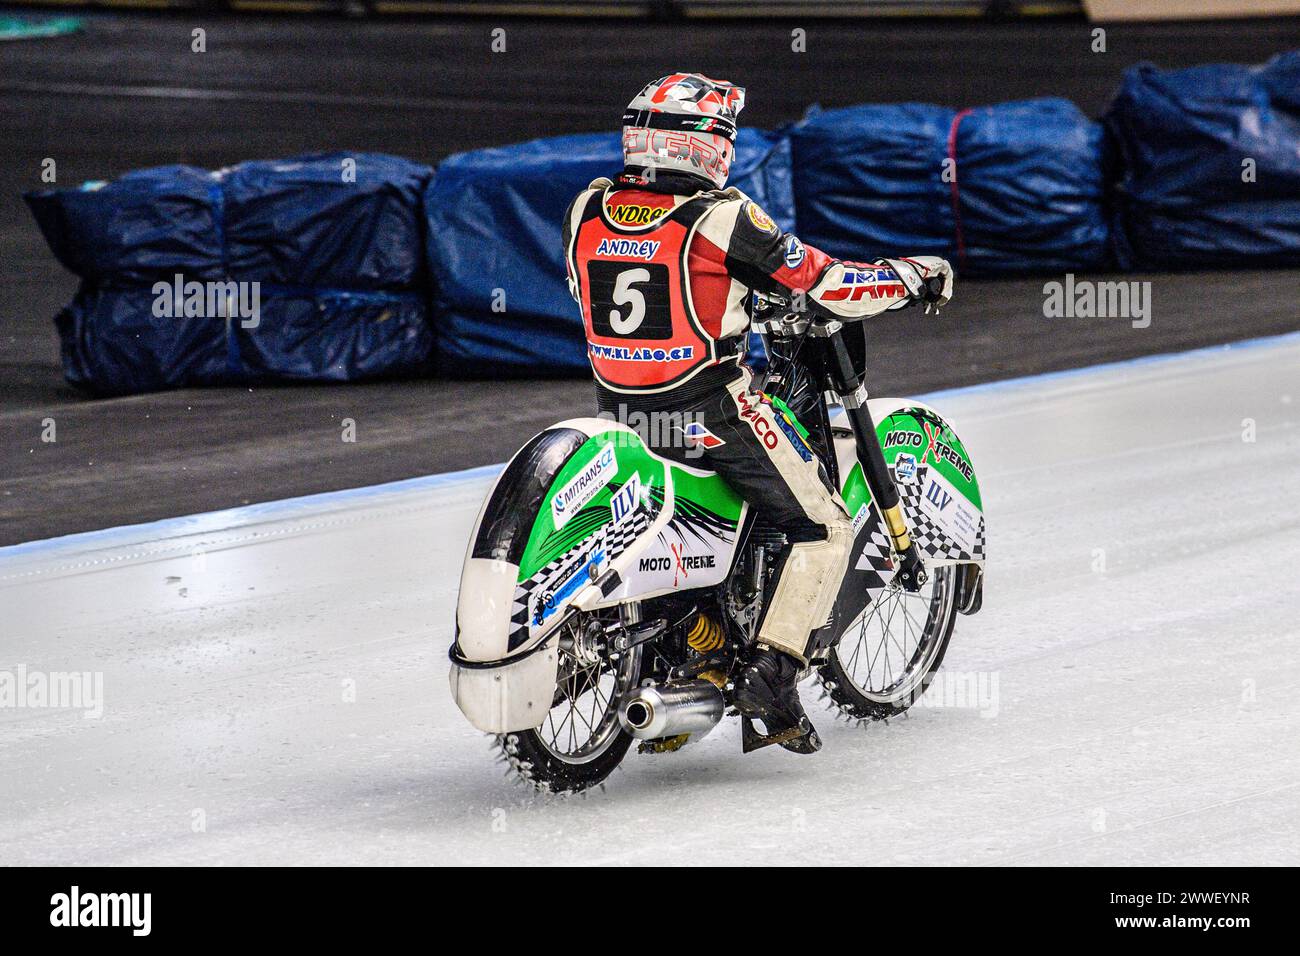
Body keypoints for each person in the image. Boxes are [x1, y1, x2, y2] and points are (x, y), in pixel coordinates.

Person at [563, 73, 954, 754]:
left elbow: (592, 290)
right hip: (711, 415)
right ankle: (773, 675)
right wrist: (911, 277)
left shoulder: (587, 208)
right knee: (825, 524)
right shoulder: (723, 217)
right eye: (724, 136)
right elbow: (827, 281)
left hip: (621, 416)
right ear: (703, 146)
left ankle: (694, 639)